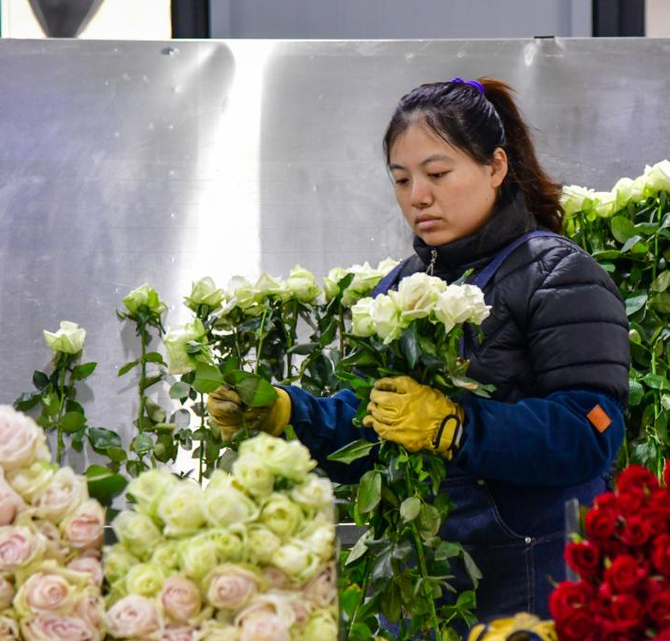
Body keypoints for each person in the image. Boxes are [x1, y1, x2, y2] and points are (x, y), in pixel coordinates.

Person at [209, 76, 629, 622]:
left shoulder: (559, 275)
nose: (418, 197)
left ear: (496, 167)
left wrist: (457, 428)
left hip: (537, 580)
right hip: (423, 579)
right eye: (402, 179)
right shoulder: (399, 290)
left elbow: (591, 431)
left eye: (436, 174)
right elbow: (374, 422)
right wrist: (288, 413)